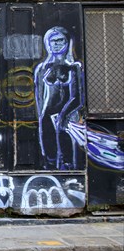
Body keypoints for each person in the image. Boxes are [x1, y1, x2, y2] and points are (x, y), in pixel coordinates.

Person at [34, 27, 84, 170]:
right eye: (52, 41)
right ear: (47, 44)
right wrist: (42, 117)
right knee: (50, 154)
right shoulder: (42, 68)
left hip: (68, 116)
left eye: (60, 40)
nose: (56, 44)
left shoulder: (74, 68)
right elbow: (40, 97)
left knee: (67, 154)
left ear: (68, 42)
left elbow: (77, 97)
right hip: (47, 117)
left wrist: (63, 115)